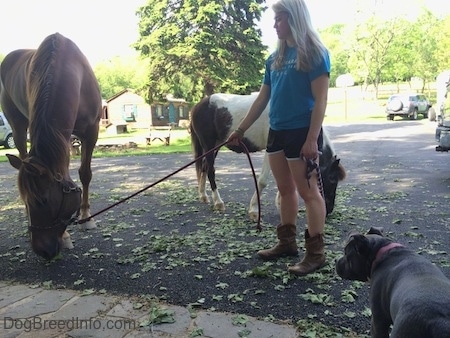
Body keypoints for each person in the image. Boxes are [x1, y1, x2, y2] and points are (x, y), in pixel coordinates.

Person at [227, 0, 330, 276]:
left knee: (309, 193)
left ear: (294, 18)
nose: (274, 25)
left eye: (279, 19)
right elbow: (262, 98)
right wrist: (240, 129)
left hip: (301, 133)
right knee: (285, 190)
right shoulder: (274, 59)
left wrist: (311, 139)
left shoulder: (315, 53)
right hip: (277, 131)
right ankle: (287, 243)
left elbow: (321, 101)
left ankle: (315, 254)